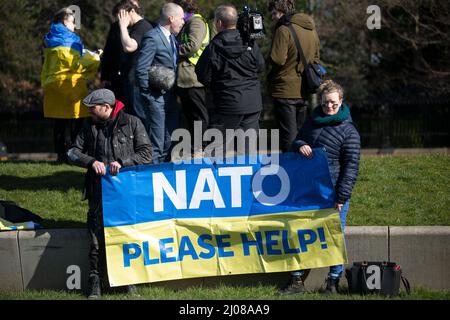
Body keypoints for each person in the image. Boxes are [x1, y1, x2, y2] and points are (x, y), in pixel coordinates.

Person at [66, 88, 152, 299]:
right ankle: (95, 282)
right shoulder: (88, 125)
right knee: (96, 239)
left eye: (93, 109)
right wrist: (91, 162)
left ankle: (130, 281)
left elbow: (147, 153)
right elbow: (72, 152)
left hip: (126, 193)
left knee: (127, 235)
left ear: (106, 107)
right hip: (98, 191)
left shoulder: (132, 122)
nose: (90, 113)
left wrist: (123, 162)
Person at [282, 80, 360, 295]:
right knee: (301, 234)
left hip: (334, 194)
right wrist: (301, 145)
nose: (329, 107)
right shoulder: (312, 122)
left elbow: (351, 167)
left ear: (341, 102)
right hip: (310, 191)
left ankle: (333, 282)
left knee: (335, 236)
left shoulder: (349, 131)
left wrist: (342, 196)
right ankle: (297, 281)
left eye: (333, 103)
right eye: (326, 103)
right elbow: (295, 142)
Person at [195, 4, 265, 157]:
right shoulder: (250, 42)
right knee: (248, 152)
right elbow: (260, 66)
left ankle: (215, 179)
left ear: (219, 23)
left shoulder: (214, 47)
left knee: (215, 150)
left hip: (226, 104)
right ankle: (249, 179)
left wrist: (217, 85)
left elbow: (202, 75)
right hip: (252, 103)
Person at [41, 7, 101, 163]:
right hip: (71, 86)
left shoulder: (49, 38)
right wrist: (96, 58)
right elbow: (77, 64)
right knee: (78, 120)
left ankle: (60, 155)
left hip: (53, 85)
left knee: (59, 122)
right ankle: (75, 154)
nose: (75, 26)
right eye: (73, 22)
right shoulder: (70, 39)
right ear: (64, 21)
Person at [267, 0, 320, 153]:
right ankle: (302, 172)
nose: (273, 18)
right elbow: (316, 58)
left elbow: (277, 59)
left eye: (274, 14)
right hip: (304, 89)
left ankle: (289, 174)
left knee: (288, 138)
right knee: (301, 136)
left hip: (284, 90)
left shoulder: (283, 29)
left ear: (281, 11)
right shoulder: (311, 28)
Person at [135, 2, 185, 164]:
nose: (183, 22)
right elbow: (141, 69)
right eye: (181, 18)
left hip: (171, 99)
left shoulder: (173, 39)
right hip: (156, 99)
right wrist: (149, 96)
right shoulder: (152, 37)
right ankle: (151, 180)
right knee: (157, 144)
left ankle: (166, 177)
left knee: (169, 142)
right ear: (171, 18)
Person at [100, 0, 153, 118]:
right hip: (127, 78)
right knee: (129, 114)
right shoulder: (133, 27)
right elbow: (109, 51)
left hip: (138, 81)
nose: (120, 20)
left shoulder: (142, 26)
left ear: (132, 11)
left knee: (138, 115)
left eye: (122, 16)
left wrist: (123, 27)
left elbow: (129, 47)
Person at [173, 0, 210, 158]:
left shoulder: (196, 22)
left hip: (193, 78)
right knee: (191, 116)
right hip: (187, 79)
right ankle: (196, 148)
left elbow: (193, 45)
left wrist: (172, 49)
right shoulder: (189, 22)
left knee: (198, 116)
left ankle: (201, 148)